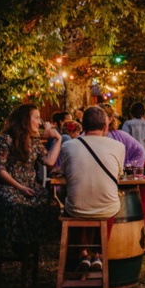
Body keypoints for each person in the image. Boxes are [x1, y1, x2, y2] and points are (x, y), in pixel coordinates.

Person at [0, 103, 62, 257]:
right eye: (37, 118)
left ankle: (32, 242)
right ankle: (14, 243)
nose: (40, 123)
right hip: (6, 186)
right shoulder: (5, 139)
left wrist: (57, 138)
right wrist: (19, 187)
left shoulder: (33, 142)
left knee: (51, 203)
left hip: (28, 186)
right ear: (25, 119)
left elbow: (49, 162)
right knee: (15, 203)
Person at [59, 106, 125, 272]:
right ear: (105, 126)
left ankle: (83, 253)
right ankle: (98, 253)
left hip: (76, 208)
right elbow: (118, 177)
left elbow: (64, 175)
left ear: (83, 124)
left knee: (77, 199)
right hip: (107, 209)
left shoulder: (68, 146)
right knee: (105, 202)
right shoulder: (118, 146)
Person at [121, 102, 145, 214]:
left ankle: (135, 225)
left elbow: (123, 144)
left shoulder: (127, 124)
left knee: (130, 195)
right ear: (144, 113)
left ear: (131, 113)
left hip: (133, 162)